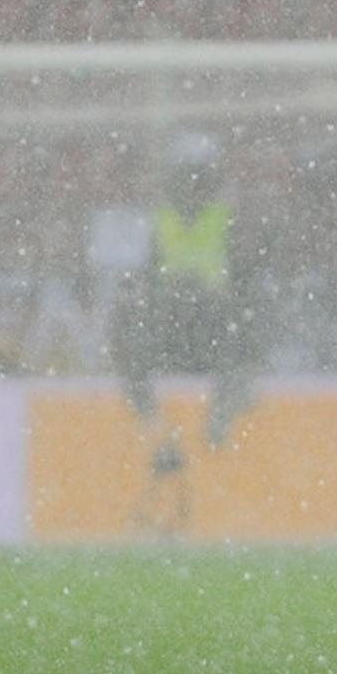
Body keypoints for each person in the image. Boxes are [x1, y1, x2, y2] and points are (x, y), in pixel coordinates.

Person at [111, 134, 255, 449]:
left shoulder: (228, 220)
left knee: (240, 351)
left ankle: (219, 422)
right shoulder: (159, 220)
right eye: (185, 178)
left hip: (213, 324)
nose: (192, 188)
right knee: (132, 352)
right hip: (169, 325)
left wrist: (217, 297)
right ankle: (155, 428)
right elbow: (140, 279)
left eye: (199, 179)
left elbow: (246, 282)